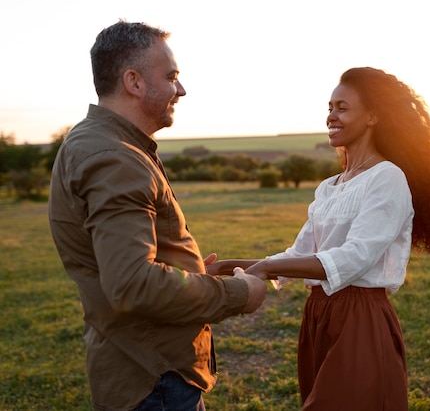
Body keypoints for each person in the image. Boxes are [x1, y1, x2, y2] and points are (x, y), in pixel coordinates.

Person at [206, 67, 430, 410]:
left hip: (360, 317)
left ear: (372, 116)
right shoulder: (329, 187)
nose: (331, 117)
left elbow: (354, 257)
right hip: (317, 315)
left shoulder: (387, 178)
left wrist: (265, 268)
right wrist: (225, 266)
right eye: (329, 107)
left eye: (342, 107)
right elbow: (297, 255)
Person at [48, 20, 267, 410]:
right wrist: (239, 293)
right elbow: (132, 284)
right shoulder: (115, 158)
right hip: (155, 378)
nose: (180, 89)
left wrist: (193, 274)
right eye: (171, 77)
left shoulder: (94, 142)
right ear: (133, 82)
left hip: (137, 363)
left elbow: (125, 262)